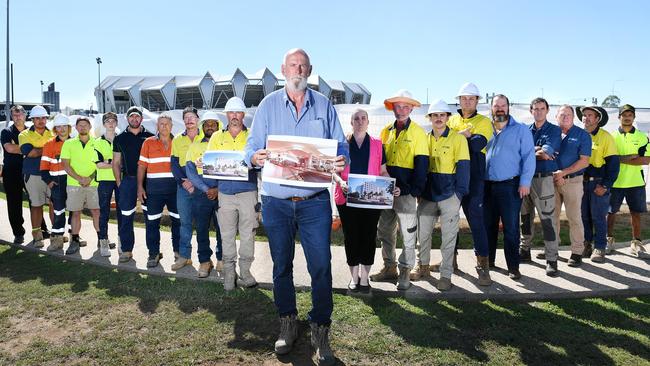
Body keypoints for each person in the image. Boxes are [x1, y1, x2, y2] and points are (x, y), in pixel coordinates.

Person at [245, 48, 347, 365]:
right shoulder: (267, 105)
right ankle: (287, 321)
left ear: (310, 69)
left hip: (314, 203)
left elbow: (340, 144)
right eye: (293, 65)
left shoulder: (324, 105)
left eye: (302, 65)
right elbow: (251, 145)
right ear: (283, 69)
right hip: (277, 203)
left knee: (321, 267)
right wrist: (254, 157)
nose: (298, 70)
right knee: (281, 266)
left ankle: (320, 328)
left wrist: (342, 159)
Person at [370, 89, 428, 291]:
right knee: (384, 231)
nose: (401, 110)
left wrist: (411, 190)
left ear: (411, 108)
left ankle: (405, 271)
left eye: (405, 106)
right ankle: (389, 268)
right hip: (385, 192)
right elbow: (379, 162)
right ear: (392, 108)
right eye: (398, 106)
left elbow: (422, 166)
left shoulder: (418, 133)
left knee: (408, 233)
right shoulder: (385, 131)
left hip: (405, 193)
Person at [199, 96, 259, 288]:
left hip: (248, 192)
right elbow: (212, 164)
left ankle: (245, 271)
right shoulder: (217, 137)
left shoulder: (253, 136)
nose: (234, 116)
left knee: (248, 233)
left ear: (243, 115)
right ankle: (229, 272)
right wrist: (205, 164)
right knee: (226, 233)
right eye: (231, 112)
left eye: (238, 112)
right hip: (225, 193)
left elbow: (258, 164)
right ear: (226, 115)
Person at [334, 108, 392, 294]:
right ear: (351, 122)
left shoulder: (377, 144)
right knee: (351, 237)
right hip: (346, 196)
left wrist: (391, 186)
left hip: (371, 199)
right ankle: (353, 277)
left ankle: (365, 278)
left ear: (368, 122)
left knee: (368, 236)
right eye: (356, 118)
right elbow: (333, 171)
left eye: (363, 118)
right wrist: (341, 181)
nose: (360, 121)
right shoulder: (342, 144)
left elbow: (383, 171)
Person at [416, 99, 469, 291]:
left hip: (449, 197)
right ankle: (422, 267)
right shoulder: (424, 139)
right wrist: (419, 193)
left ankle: (446, 275)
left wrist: (458, 196)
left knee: (448, 238)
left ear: (447, 117)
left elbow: (463, 170)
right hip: (427, 197)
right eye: (435, 115)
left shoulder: (458, 139)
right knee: (423, 234)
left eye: (442, 115)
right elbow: (420, 168)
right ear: (430, 118)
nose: (438, 118)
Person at [445, 82, 493, 286]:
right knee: (450, 220)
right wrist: (463, 135)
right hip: (453, 177)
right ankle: (450, 262)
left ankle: (483, 265)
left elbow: (478, 144)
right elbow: (443, 142)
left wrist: (458, 137)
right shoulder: (451, 119)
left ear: (477, 101)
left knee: (476, 220)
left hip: (474, 177)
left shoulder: (484, 121)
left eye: (471, 98)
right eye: (463, 98)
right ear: (458, 100)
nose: (467, 101)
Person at [484, 94, 535, 279]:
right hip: (486, 186)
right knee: (488, 225)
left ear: (508, 107)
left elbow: (529, 157)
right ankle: (488, 261)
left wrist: (525, 182)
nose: (500, 108)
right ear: (491, 108)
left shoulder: (521, 130)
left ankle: (513, 267)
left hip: (510, 186)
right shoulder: (484, 128)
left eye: (503, 105)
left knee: (511, 228)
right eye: (496, 105)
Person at [519, 98, 562, 276]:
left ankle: (551, 259)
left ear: (547, 110)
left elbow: (546, 154)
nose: (538, 111)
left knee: (547, 220)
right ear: (531, 111)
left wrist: (530, 152)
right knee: (525, 218)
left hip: (543, 179)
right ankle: (524, 250)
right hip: (524, 179)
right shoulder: (524, 130)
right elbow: (517, 152)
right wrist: (534, 151)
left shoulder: (554, 130)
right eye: (535, 109)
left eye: (541, 109)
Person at [137, 113, 181, 268]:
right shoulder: (148, 143)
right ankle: (154, 253)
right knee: (152, 223)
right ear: (157, 126)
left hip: (175, 191)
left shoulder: (178, 142)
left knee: (178, 222)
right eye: (161, 124)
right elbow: (142, 166)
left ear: (171, 126)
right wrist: (140, 187)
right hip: (153, 192)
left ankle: (178, 252)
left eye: (167, 124)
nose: (164, 126)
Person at [607, 104, 650, 258]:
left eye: (630, 115)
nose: (627, 117)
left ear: (633, 117)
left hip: (635, 182)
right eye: (624, 115)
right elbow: (609, 160)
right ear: (619, 117)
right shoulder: (611, 137)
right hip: (615, 182)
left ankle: (636, 243)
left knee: (636, 213)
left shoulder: (642, 137)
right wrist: (628, 157)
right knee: (610, 213)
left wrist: (620, 160)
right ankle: (608, 240)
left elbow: (646, 160)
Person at [183, 111, 223, 278]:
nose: (210, 127)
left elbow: (233, 169)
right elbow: (190, 172)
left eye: (213, 124)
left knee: (223, 228)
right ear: (202, 127)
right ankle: (205, 261)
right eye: (207, 124)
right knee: (201, 228)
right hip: (201, 193)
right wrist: (207, 189)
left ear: (218, 126)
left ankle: (222, 259)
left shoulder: (224, 145)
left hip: (223, 192)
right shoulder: (195, 146)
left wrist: (218, 189)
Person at [578, 106, 620, 262]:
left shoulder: (606, 137)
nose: (586, 118)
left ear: (597, 119)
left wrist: (606, 185)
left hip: (598, 183)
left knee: (598, 217)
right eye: (584, 115)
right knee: (583, 216)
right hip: (580, 183)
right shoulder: (579, 135)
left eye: (590, 115)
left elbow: (614, 165)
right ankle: (586, 244)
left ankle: (600, 247)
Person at [112, 106, 154, 262]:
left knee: (150, 217)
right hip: (128, 181)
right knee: (126, 217)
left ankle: (153, 252)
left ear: (141, 119)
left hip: (148, 182)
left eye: (137, 117)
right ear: (127, 119)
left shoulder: (150, 137)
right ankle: (127, 250)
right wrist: (119, 183)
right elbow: (116, 163)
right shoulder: (120, 138)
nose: (134, 119)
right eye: (132, 117)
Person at [171, 107, 210, 270]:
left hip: (203, 186)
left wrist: (197, 183)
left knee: (204, 225)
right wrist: (183, 182)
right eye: (186, 117)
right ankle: (185, 256)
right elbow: (174, 164)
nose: (189, 120)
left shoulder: (208, 136)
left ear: (198, 119)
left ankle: (208, 259)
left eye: (192, 117)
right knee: (185, 223)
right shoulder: (178, 140)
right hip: (184, 187)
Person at [552, 105, 591, 267]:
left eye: (568, 114)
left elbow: (584, 161)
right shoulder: (551, 133)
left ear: (573, 117)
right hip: (552, 181)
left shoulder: (582, 135)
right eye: (562, 115)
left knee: (574, 217)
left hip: (573, 181)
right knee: (551, 218)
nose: (565, 117)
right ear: (556, 117)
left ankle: (576, 251)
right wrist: (556, 174)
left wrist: (563, 173)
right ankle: (552, 249)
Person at [60, 116, 101, 255]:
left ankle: (102, 240)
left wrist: (89, 178)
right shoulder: (68, 143)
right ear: (76, 128)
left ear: (90, 127)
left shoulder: (98, 143)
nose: (83, 127)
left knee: (96, 212)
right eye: (80, 125)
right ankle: (75, 241)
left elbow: (101, 164)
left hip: (94, 184)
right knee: (75, 213)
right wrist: (79, 179)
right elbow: (65, 164)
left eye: (85, 125)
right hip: (74, 184)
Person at [18, 105, 54, 248]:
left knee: (55, 204)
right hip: (33, 175)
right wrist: (49, 148)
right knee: (36, 205)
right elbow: (30, 153)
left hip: (52, 174)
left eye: (43, 118)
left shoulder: (52, 133)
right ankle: (37, 236)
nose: (41, 120)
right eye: (37, 118)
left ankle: (57, 234)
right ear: (32, 119)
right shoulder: (24, 134)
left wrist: (40, 149)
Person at [40, 114, 72, 251]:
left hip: (72, 182)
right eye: (59, 126)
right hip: (57, 183)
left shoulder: (75, 143)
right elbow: (43, 168)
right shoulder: (49, 145)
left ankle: (74, 237)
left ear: (69, 128)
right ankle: (57, 239)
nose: (62, 129)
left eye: (64, 126)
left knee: (74, 211)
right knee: (58, 211)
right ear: (55, 129)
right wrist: (50, 182)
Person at [2, 105, 29, 243]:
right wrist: (29, 149)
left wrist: (20, 148)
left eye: (20, 114)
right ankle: (18, 232)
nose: (18, 117)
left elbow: (41, 147)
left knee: (35, 201)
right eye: (14, 115)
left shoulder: (31, 131)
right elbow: (9, 148)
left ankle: (41, 229)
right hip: (11, 172)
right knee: (14, 203)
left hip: (29, 171)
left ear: (25, 115)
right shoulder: (6, 131)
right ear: (12, 116)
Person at [94, 112, 120, 256]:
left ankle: (122, 242)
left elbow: (124, 163)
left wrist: (109, 161)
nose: (110, 123)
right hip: (104, 180)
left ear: (116, 123)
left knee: (122, 211)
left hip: (119, 179)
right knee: (104, 212)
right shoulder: (97, 142)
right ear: (104, 124)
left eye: (113, 121)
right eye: (108, 121)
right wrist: (115, 163)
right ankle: (103, 241)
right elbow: (99, 165)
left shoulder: (121, 139)